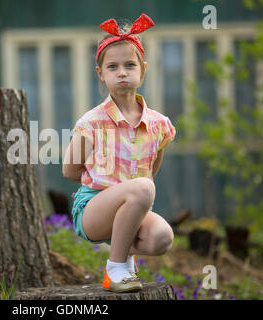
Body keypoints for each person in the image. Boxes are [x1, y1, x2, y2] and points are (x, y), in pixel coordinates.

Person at [62, 13, 176, 293]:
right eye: (112, 67)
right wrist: (108, 185)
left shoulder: (159, 125)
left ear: (143, 69)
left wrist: (134, 195)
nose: (122, 72)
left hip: (134, 205)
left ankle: (124, 255)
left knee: (162, 238)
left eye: (129, 64)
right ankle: (116, 269)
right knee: (143, 188)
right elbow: (69, 170)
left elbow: (151, 168)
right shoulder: (91, 122)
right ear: (100, 74)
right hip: (93, 209)